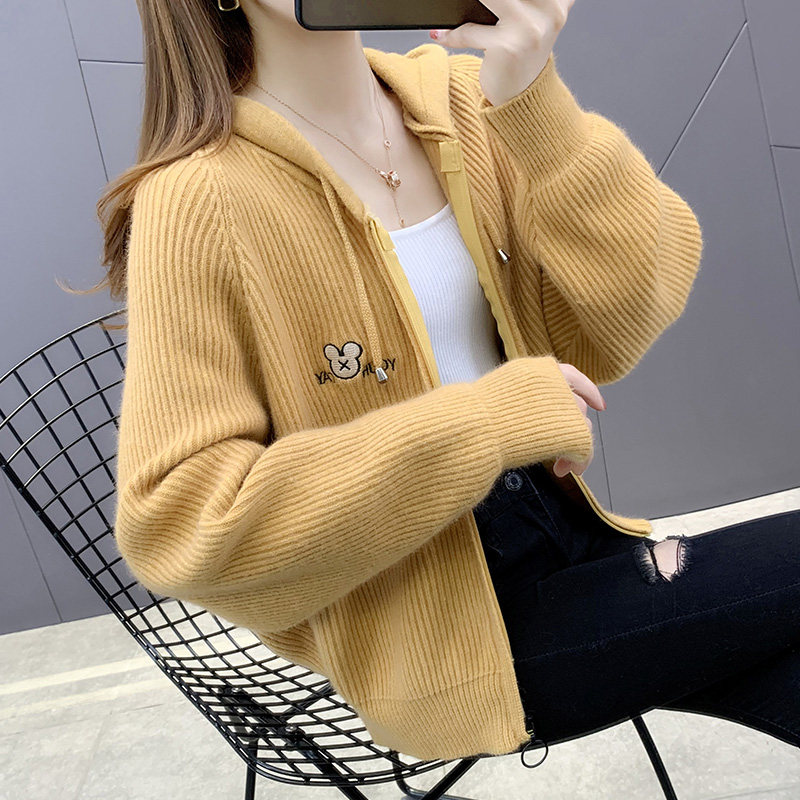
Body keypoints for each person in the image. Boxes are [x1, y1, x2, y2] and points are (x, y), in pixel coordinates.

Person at [91, 0, 800, 764]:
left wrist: (533, 99)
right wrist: (489, 422)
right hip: (442, 637)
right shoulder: (195, 197)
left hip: (566, 536)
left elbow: (641, 297)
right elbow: (177, 521)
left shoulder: (462, 101)